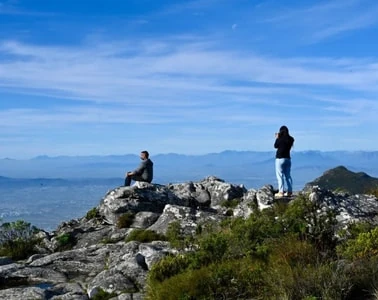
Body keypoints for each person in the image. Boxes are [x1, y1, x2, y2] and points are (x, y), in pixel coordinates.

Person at [274, 125, 294, 198]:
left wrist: (277, 138)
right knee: (288, 176)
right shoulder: (291, 139)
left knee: (280, 175)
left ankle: (281, 192)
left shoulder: (280, 139)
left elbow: (275, 146)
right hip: (288, 159)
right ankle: (289, 191)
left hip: (280, 159)